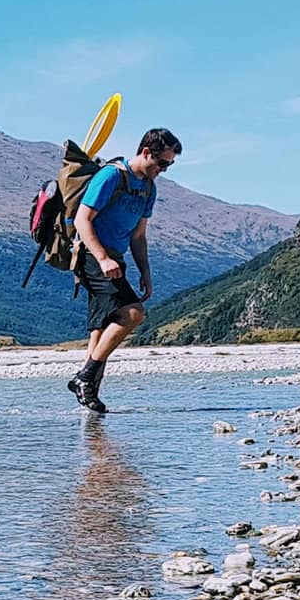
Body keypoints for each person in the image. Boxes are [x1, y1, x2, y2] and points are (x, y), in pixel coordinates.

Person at [67, 127, 181, 413]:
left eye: (169, 165)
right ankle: (84, 377)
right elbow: (83, 220)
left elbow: (138, 236)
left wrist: (145, 271)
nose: (164, 170)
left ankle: (89, 397)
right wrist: (103, 258)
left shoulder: (148, 189)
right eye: (162, 163)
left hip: (115, 258)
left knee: (101, 328)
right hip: (92, 255)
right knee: (133, 313)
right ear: (146, 152)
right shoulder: (111, 176)